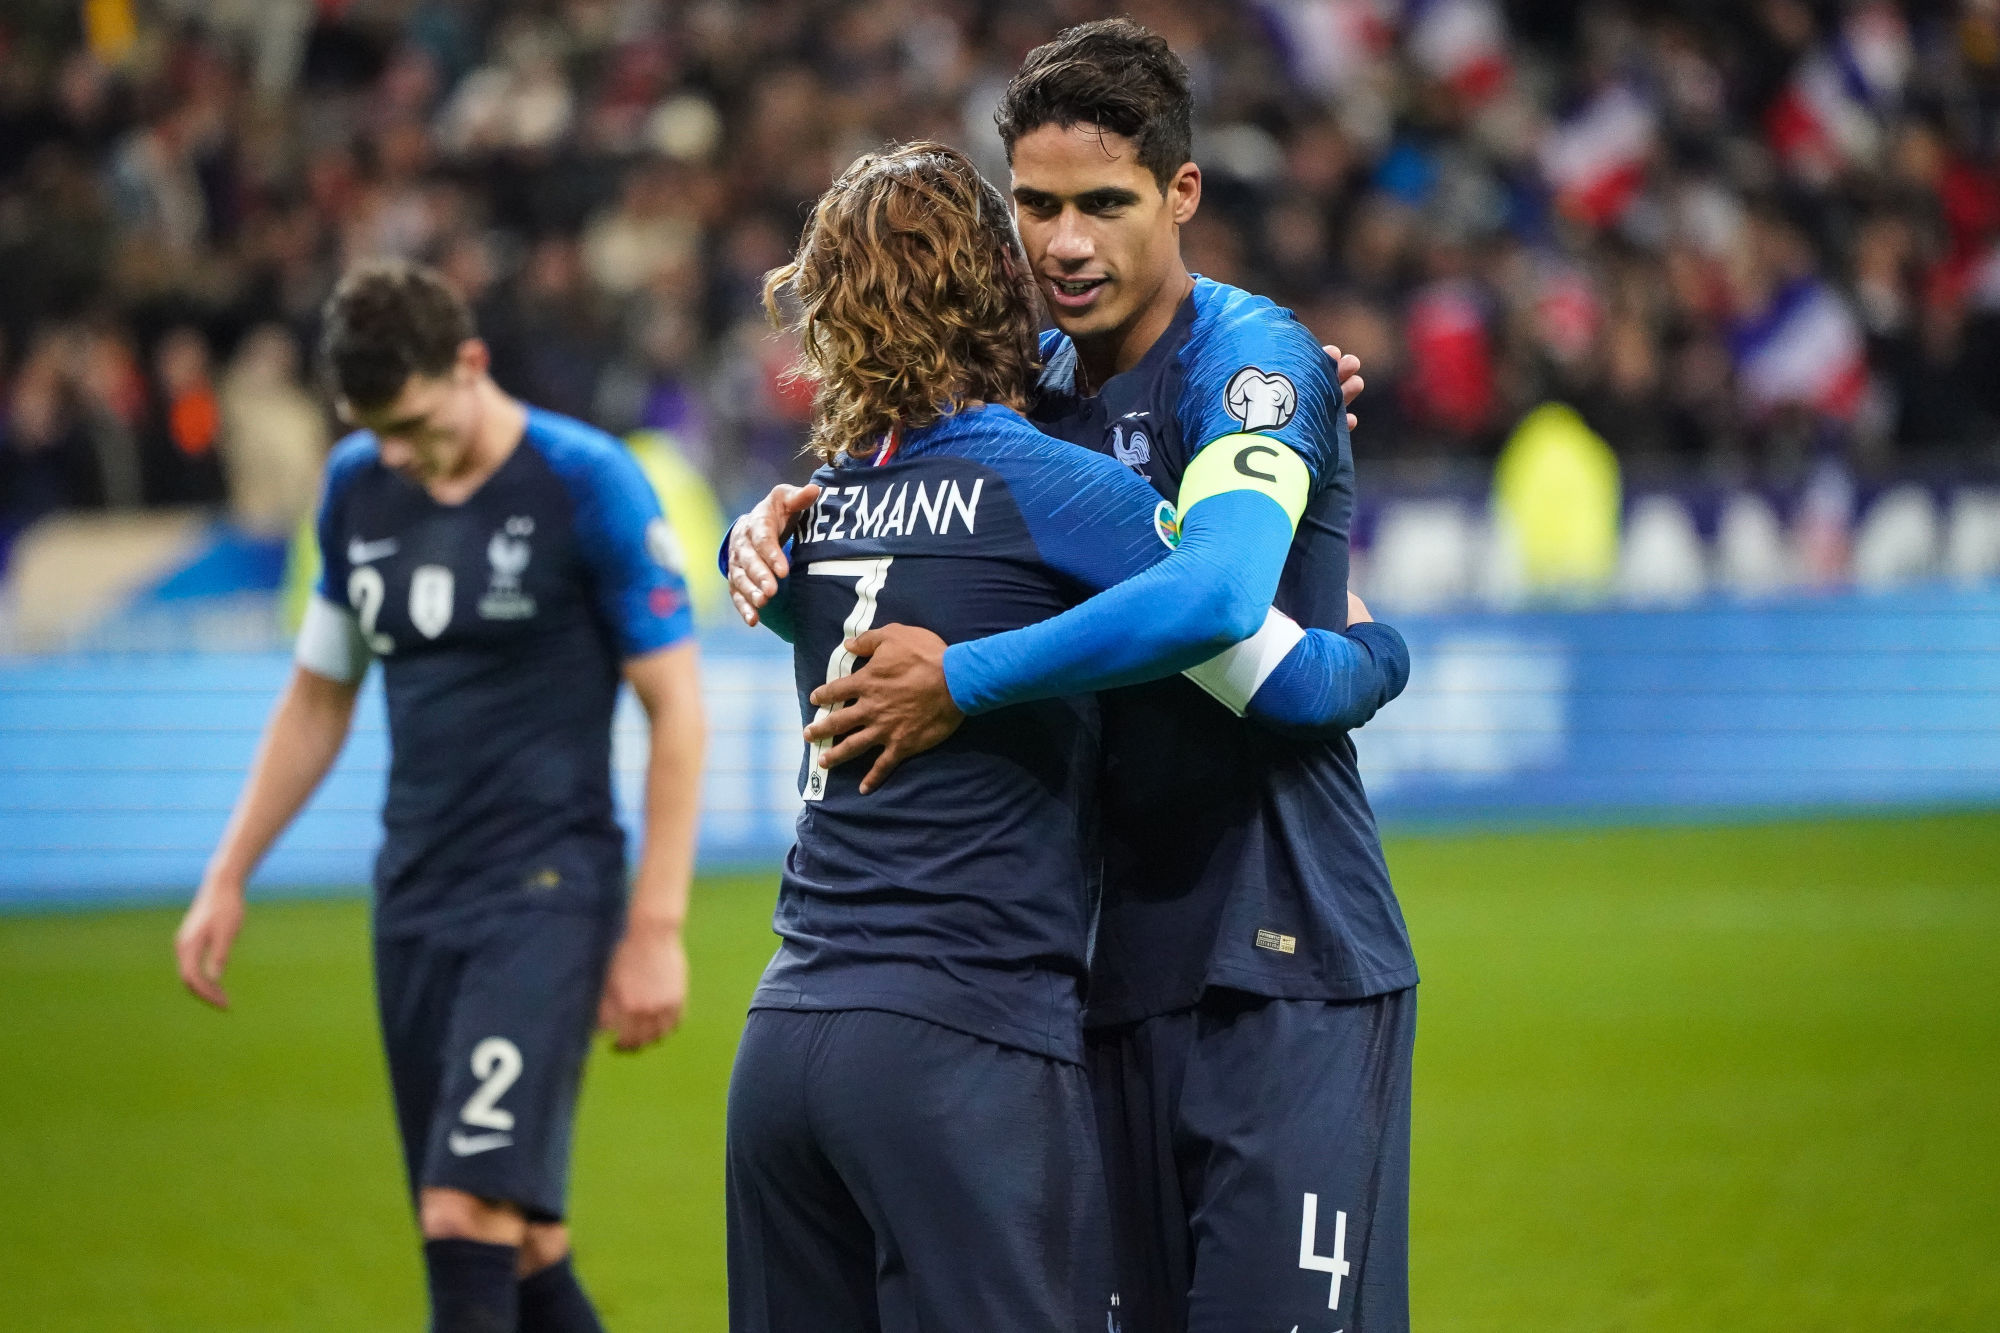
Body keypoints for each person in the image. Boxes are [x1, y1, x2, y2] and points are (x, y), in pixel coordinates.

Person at [728, 20, 1419, 1333]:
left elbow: (1220, 603)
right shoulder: (1027, 389)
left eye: (1104, 204)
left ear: (1182, 195)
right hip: (1093, 967)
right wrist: (760, 533)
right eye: (1035, 207)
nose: (1066, 243)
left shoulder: (1251, 364)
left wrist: (967, 677)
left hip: (1278, 949)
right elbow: (905, 532)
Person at [174, 261, 705, 1333]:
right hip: (414, 898)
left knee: (462, 1209)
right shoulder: (356, 484)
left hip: (544, 893)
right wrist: (227, 875)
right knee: (519, 1246)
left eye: (416, 423)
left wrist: (654, 927)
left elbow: (676, 711)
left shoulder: (583, 479)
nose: (403, 452)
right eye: (378, 431)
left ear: (469, 364)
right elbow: (318, 700)